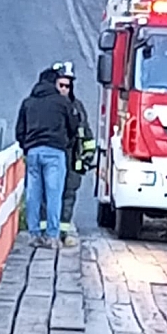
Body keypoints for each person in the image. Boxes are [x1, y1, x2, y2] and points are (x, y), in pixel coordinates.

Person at [16, 66, 80, 248]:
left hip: (33, 153)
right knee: (54, 195)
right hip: (55, 152)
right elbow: (73, 126)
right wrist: (65, 142)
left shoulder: (28, 102)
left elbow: (19, 131)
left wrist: (27, 146)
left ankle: (34, 235)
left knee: (33, 195)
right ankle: (52, 236)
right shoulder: (62, 103)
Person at [38, 61, 96, 246]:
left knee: (68, 196)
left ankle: (62, 233)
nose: (64, 89)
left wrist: (87, 157)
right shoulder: (46, 106)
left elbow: (86, 134)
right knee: (48, 195)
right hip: (53, 157)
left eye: (68, 86)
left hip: (72, 160)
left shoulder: (77, 107)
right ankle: (45, 233)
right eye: (61, 85)